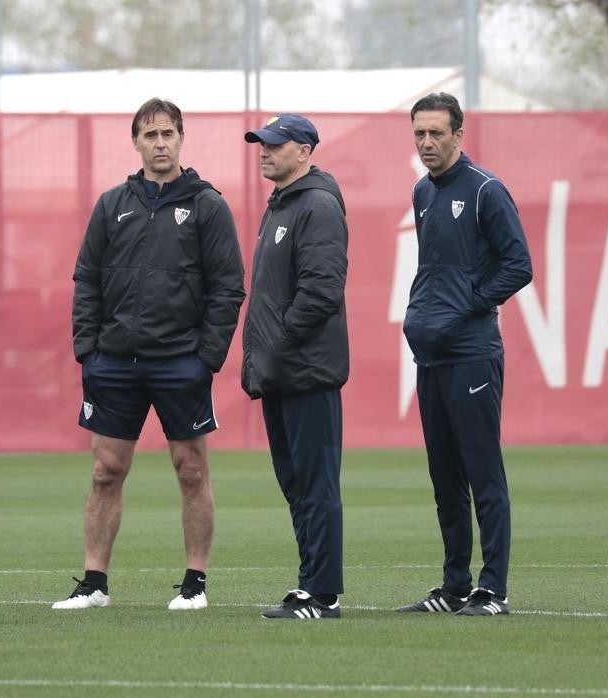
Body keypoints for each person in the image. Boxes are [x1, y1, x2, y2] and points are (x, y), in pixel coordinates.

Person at [55, 98, 245, 611]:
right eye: (150, 135)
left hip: (181, 362)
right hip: (114, 362)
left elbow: (228, 288)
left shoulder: (208, 205)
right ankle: (94, 584)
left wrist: (206, 358)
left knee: (190, 468)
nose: (159, 143)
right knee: (105, 471)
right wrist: (87, 351)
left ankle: (195, 584)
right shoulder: (112, 203)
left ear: (181, 138)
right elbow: (86, 280)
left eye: (167, 134)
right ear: (135, 142)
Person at [398, 92, 532, 616]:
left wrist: (468, 304)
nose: (427, 143)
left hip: (473, 353)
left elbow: (518, 264)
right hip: (430, 355)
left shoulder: (485, 191)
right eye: (419, 134)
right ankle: (454, 586)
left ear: (459, 134)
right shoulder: (422, 194)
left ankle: (492, 589)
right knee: (444, 477)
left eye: (436, 133)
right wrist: (425, 317)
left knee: (483, 473)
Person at [241, 114, 350, 620]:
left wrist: (276, 346)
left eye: (275, 144)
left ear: (304, 150)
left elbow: (321, 292)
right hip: (283, 372)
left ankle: (320, 593)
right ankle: (310, 583)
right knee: (296, 484)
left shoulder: (317, 205)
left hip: (306, 372)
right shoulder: (282, 204)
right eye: (261, 143)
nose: (264, 151)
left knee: (315, 483)